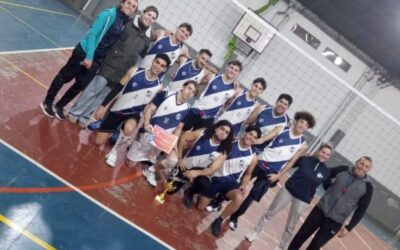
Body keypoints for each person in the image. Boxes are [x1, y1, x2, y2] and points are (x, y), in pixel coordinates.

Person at [41, 0, 138, 119]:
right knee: (64, 77)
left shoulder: (124, 21)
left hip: (97, 60)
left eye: (134, 6)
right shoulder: (108, 14)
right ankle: (47, 102)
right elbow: (92, 34)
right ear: (122, 3)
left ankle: (60, 106)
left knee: (80, 84)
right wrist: (89, 56)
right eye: (129, 3)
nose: (130, 7)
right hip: (84, 52)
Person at [66, 6, 159, 128]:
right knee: (94, 89)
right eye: (149, 15)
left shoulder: (148, 38)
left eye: (153, 18)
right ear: (143, 13)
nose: (150, 18)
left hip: (122, 71)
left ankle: (85, 116)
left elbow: (142, 54)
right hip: (109, 62)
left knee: (102, 95)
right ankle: (75, 112)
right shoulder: (128, 22)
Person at [227, 111, 316, 231]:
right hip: (259, 162)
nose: (302, 125)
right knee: (238, 185)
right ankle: (218, 202)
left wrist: (278, 175)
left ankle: (234, 218)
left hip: (271, 173)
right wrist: (243, 140)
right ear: (296, 121)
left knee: (252, 197)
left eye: (306, 124)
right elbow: (262, 139)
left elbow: (291, 162)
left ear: (307, 128)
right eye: (301, 121)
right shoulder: (281, 129)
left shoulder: (303, 145)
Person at [245, 143, 333, 250]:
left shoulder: (326, 172)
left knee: (290, 226)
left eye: (327, 155)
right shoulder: (305, 159)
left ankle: (282, 247)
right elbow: (289, 163)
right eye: (323, 152)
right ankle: (255, 232)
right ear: (319, 151)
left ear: (329, 157)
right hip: (288, 191)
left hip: (303, 200)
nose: (324, 155)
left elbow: (329, 187)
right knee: (270, 213)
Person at [92, 54, 171, 166]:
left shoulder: (159, 88)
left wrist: (147, 123)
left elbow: (150, 108)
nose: (158, 66)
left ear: (164, 69)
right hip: (117, 110)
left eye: (162, 66)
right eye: (157, 62)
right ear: (153, 61)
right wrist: (103, 106)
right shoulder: (134, 71)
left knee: (129, 129)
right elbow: (116, 89)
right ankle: (114, 132)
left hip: (133, 114)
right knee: (97, 142)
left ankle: (114, 152)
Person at [288, 156, 373, 250]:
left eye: (366, 166)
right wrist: (327, 187)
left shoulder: (367, 187)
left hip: (335, 222)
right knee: (301, 235)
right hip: (320, 210)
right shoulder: (343, 169)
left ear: (369, 169)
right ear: (356, 162)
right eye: (361, 163)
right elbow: (327, 173)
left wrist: (349, 228)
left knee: (315, 246)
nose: (362, 168)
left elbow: (361, 210)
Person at [125, 80, 198, 176]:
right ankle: (135, 149)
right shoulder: (166, 94)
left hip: (161, 140)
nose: (190, 93)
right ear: (183, 87)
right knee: (130, 164)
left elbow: (179, 128)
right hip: (149, 133)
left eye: (193, 92)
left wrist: (174, 145)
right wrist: (146, 124)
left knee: (173, 160)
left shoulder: (188, 109)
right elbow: (149, 109)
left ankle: (150, 170)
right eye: (189, 88)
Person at [201, 126, 261, 236]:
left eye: (254, 137)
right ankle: (196, 191)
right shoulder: (230, 143)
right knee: (200, 206)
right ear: (244, 133)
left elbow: (248, 174)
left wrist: (244, 185)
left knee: (239, 198)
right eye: (250, 134)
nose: (251, 138)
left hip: (231, 183)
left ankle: (219, 220)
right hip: (215, 177)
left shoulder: (253, 157)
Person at [164, 120, 235, 207]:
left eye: (227, 132)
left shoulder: (224, 151)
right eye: (222, 129)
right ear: (216, 128)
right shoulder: (203, 132)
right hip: (185, 166)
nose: (223, 133)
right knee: (169, 190)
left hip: (201, 172)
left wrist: (196, 173)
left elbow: (212, 170)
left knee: (204, 184)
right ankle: (180, 179)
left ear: (228, 136)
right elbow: (184, 137)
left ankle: (190, 192)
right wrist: (180, 158)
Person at [179, 60, 243, 132]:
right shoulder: (213, 76)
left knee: (194, 140)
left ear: (238, 73)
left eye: (236, 70)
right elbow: (200, 63)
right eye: (231, 67)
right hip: (196, 109)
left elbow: (227, 104)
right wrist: (210, 67)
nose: (232, 71)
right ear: (227, 67)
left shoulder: (236, 90)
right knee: (180, 131)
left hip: (209, 118)